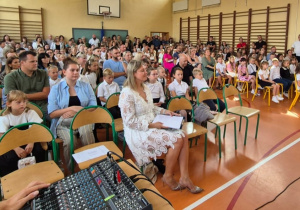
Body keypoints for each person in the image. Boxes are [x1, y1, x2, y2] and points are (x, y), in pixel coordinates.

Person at [118, 60, 203, 193]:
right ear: (133, 74)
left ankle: (185, 177)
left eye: (145, 70)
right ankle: (168, 176)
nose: (145, 72)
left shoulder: (145, 87)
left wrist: (165, 111)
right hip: (138, 130)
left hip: (153, 122)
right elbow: (129, 121)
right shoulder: (127, 93)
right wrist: (153, 124)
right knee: (178, 139)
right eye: (142, 71)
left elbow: (151, 108)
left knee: (183, 135)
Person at [48, 57, 97, 170]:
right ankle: (72, 170)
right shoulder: (56, 89)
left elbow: (93, 106)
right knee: (70, 142)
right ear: (64, 72)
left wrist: (79, 111)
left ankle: (92, 166)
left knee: (86, 134)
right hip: (64, 123)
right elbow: (52, 113)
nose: (76, 73)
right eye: (72, 70)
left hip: (83, 119)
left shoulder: (85, 85)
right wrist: (72, 108)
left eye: (77, 70)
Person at [0, 90, 45, 176]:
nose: (22, 104)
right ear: (9, 104)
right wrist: (16, 148)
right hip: (12, 145)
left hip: (30, 140)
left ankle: (38, 175)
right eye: (18, 102)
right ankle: (13, 180)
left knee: (38, 151)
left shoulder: (30, 113)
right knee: (8, 158)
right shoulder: (5, 118)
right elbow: (2, 136)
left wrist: (31, 143)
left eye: (24, 101)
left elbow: (37, 129)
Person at [4, 51, 50, 121]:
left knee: (55, 116)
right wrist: (38, 95)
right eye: (32, 61)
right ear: (22, 62)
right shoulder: (10, 77)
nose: (35, 64)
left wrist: (23, 96)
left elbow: (46, 94)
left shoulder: (43, 73)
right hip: (21, 107)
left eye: (36, 61)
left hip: (44, 107)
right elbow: (12, 98)